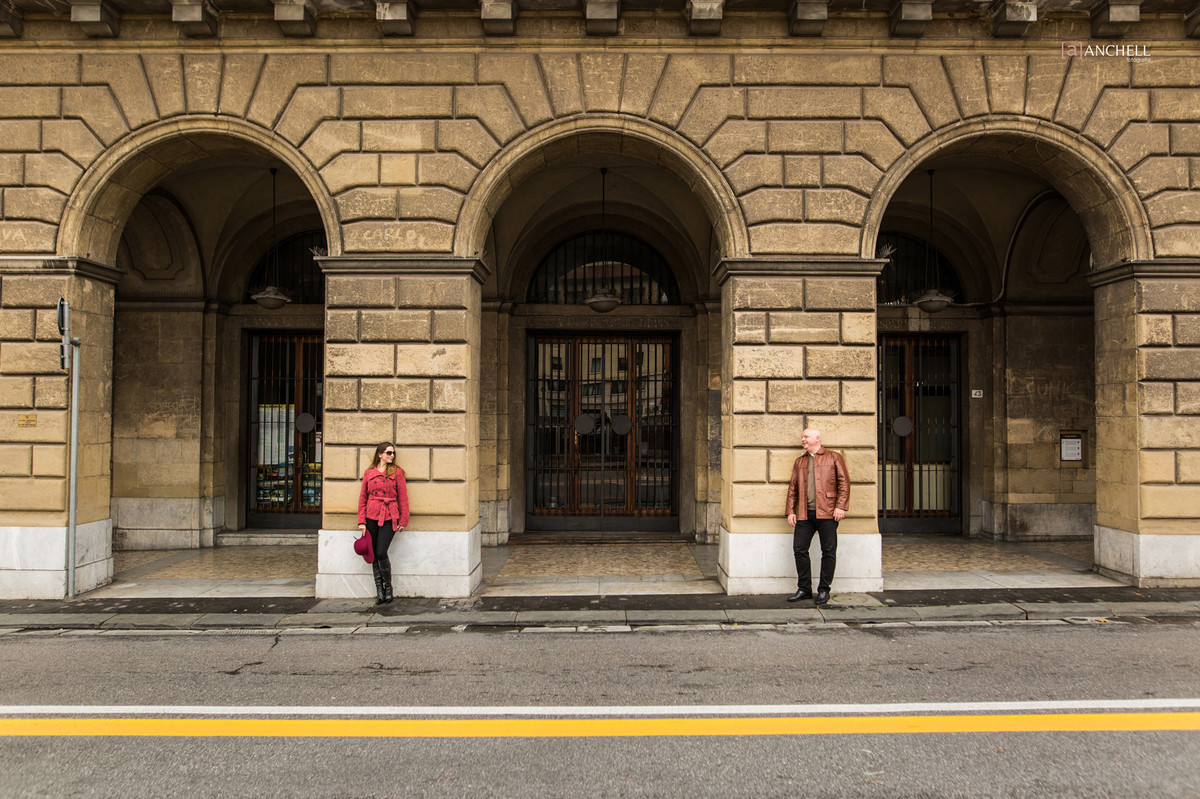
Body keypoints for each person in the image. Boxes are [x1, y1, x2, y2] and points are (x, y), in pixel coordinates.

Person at [784, 428, 849, 606]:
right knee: (799, 549)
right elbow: (793, 488)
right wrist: (791, 511)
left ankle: (823, 589)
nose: (802, 439)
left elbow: (844, 483)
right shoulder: (800, 462)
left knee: (828, 551)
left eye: (806, 436)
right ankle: (804, 588)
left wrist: (840, 506)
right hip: (805, 514)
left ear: (817, 438)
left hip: (828, 513)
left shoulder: (833, 457)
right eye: (802, 436)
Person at [357, 442, 409, 604]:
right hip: (371, 515)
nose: (391, 456)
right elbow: (363, 498)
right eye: (388, 453)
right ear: (380, 454)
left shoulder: (397, 473)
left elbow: (403, 497)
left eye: (393, 453)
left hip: (389, 515)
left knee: (381, 552)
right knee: (372, 555)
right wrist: (361, 521)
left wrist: (404, 519)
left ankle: (388, 587)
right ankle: (379, 589)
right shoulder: (369, 473)